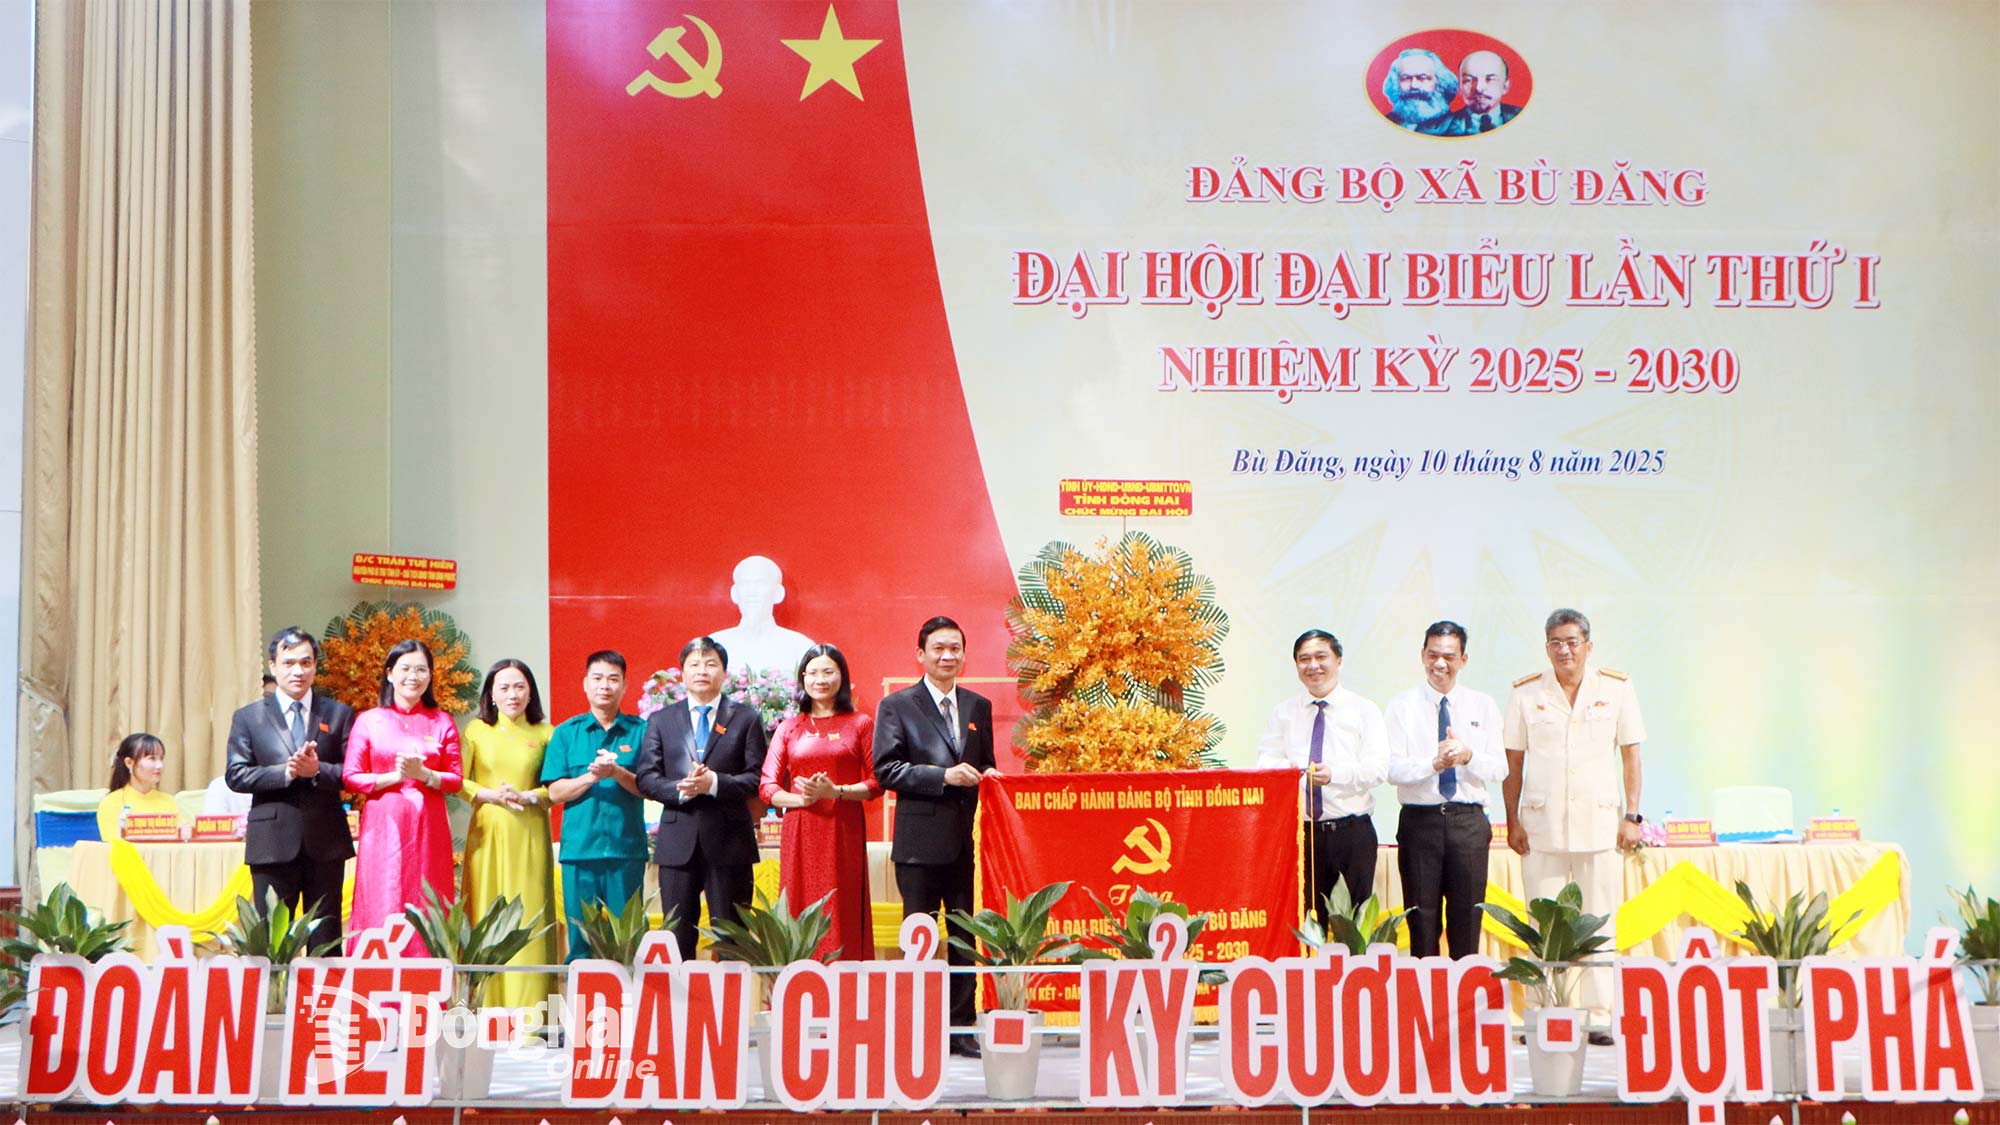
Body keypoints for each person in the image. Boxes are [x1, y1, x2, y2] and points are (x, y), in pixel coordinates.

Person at [1503, 607, 1645, 1041]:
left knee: (1599, 920)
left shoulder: (1616, 688)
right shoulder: (1527, 692)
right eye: (1556, 643)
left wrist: (1632, 815)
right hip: (1541, 826)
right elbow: (1513, 763)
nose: (1564, 651)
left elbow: (1631, 755)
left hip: (1601, 825)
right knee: (1542, 922)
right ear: (1546, 647)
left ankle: (1599, 1014)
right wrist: (1511, 819)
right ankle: (1543, 1011)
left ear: (1588, 645)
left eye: (1572, 642)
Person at [872, 616, 994, 1055]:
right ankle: (918, 1027)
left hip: (965, 843)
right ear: (920, 654)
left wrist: (990, 776)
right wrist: (943, 775)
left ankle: (961, 1028)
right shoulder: (897, 706)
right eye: (938, 648)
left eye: (955, 648)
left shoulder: (978, 706)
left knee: (964, 938)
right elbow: (887, 770)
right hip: (918, 846)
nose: (947, 656)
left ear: (964, 654)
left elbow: (986, 764)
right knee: (919, 938)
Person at [634, 637, 768, 962]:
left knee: (732, 940)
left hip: (730, 843)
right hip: (677, 844)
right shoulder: (662, 720)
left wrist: (714, 784)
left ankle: (731, 998)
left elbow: (757, 778)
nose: (702, 671)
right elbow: (646, 777)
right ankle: (683, 998)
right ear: (682, 674)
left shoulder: (746, 718)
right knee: (677, 938)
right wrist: (681, 789)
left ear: (724, 672)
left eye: (710, 664)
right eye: (694, 664)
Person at [224, 626, 354, 946]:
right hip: (271, 844)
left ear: (315, 666)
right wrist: (285, 773)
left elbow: (353, 774)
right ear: (273, 666)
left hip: (326, 842)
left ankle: (325, 983)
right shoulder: (249, 718)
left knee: (325, 941)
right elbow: (236, 775)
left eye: (306, 663)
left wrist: (316, 770)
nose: (298, 671)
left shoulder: (339, 714)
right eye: (289, 663)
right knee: (272, 941)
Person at [1385, 621, 1505, 959]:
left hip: (1468, 823)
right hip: (1419, 823)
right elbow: (1391, 769)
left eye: (1449, 657)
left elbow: (1500, 769)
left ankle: (1464, 991)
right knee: (1421, 921)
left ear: (1463, 660)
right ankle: (1426, 991)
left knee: (1467, 918)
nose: (1440, 664)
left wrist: (1467, 756)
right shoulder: (1401, 706)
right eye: (1433, 655)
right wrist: (1433, 764)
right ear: (1422, 655)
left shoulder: (1483, 705)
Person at [1255, 629, 1388, 922]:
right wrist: (1296, 774)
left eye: (1320, 657)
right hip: (1300, 835)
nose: (1313, 665)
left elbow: (1378, 769)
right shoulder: (1283, 713)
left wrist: (1335, 775)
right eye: (1304, 659)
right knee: (1302, 924)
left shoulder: (1364, 710)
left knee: (1352, 928)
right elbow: (1266, 760)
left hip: (1351, 834)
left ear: (1338, 660)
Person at [759, 644, 879, 960]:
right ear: (803, 678)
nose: (820, 679)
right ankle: (800, 979)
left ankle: (847, 980)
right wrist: (802, 799)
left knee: (842, 904)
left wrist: (835, 791)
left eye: (828, 672)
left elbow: (876, 782)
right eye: (812, 672)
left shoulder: (861, 724)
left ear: (842, 676)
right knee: (800, 903)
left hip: (843, 828)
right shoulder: (788, 727)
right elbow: (767, 787)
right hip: (800, 829)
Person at [343, 638, 463, 950]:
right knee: (383, 894)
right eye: (405, 668)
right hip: (384, 826)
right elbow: (351, 776)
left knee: (426, 893)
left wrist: (425, 775)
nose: (413, 676)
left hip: (429, 826)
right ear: (389, 674)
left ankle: (427, 972)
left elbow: (455, 779)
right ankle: (375, 971)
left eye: (421, 669)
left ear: (431, 675)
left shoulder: (442, 721)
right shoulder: (369, 721)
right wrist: (394, 777)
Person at [459, 659, 558, 1010]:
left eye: (519, 686)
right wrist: (488, 794)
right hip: (487, 833)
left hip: (529, 831)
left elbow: (555, 788)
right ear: (491, 694)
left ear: (531, 691)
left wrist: (530, 796)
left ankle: (532, 1014)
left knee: (530, 911)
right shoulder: (475, 731)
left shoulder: (546, 733)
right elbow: (458, 782)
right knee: (486, 911)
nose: (512, 694)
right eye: (504, 687)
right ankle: (485, 1008)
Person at [543, 650, 649, 962]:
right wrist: (591, 777)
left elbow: (649, 788)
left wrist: (617, 773)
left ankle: (627, 994)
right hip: (580, 852)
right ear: (585, 684)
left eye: (613, 679)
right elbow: (555, 792)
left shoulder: (641, 731)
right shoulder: (566, 733)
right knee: (581, 944)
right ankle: (579, 994)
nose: (605, 685)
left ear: (624, 686)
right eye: (598, 678)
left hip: (625, 852)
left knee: (627, 944)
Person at [708, 555, 815, 676]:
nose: (751, 592)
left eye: (760, 583)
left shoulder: (800, 647)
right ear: (734, 593)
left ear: (778, 593)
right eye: (745, 584)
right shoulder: (715, 644)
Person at [97, 733, 186, 840]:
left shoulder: (169, 801)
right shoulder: (111, 802)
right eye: (152, 758)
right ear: (129, 763)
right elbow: (114, 843)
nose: (160, 765)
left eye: (161, 758)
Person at [1442, 49, 1523, 135]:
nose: (1479, 88)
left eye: (1490, 79)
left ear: (1505, 86)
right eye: (1468, 80)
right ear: (1459, 86)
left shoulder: (1525, 118)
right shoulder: (1442, 128)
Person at [1380, 47, 1458, 135]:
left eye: (1422, 78)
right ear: (1396, 83)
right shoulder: (1385, 122)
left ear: (1440, 83)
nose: (1414, 85)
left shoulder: (1455, 125)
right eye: (1406, 78)